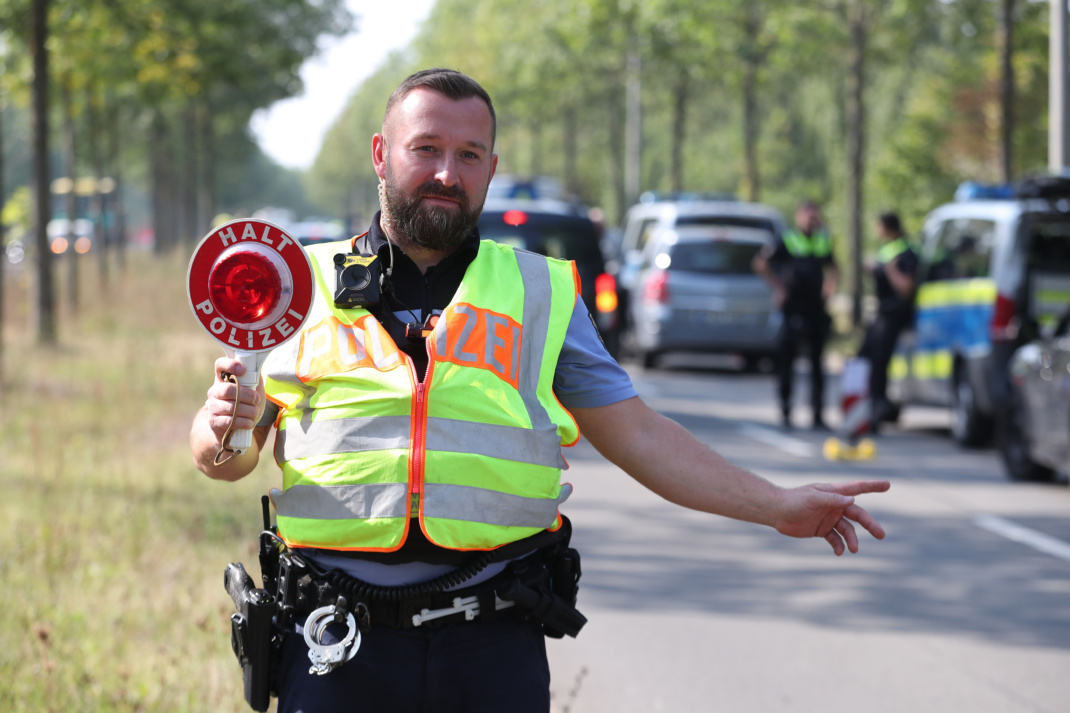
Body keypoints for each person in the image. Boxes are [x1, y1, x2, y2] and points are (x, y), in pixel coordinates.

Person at [190, 69, 888, 713]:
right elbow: (226, 454)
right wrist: (220, 429)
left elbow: (639, 434)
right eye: (425, 147)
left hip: (491, 648)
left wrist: (777, 505)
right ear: (380, 153)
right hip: (336, 646)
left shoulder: (541, 293)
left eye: (469, 155)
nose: (446, 172)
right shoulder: (292, 283)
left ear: (492, 168)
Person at [753, 200, 839, 430]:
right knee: (787, 361)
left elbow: (833, 267)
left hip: (815, 309)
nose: (812, 219)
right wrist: (779, 287)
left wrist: (830, 288)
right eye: (808, 215)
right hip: (793, 307)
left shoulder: (823, 239)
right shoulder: (787, 238)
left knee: (817, 364)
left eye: (815, 215)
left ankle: (818, 414)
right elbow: (761, 263)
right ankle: (786, 409)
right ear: (799, 216)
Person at [859, 212, 917, 430]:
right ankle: (867, 406)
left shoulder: (906, 252)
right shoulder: (887, 248)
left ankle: (878, 408)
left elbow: (906, 289)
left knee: (879, 360)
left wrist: (890, 271)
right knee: (864, 357)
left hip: (895, 314)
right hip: (882, 312)